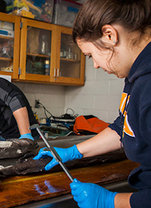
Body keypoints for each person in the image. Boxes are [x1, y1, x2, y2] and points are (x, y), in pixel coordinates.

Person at [33, 0, 151, 207]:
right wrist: (74, 151)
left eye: (91, 56)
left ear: (109, 35)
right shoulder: (136, 74)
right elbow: (123, 127)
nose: (95, 65)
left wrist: (110, 201)